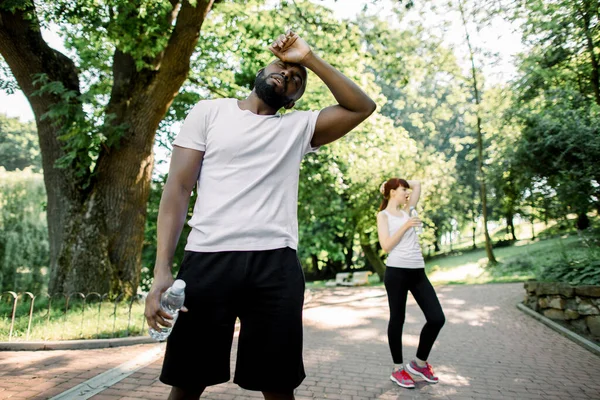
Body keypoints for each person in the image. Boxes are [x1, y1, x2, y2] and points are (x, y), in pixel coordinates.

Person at [144, 30, 376, 400]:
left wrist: (309, 58)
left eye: (297, 79)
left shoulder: (298, 127)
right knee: (187, 383)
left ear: (295, 99)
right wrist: (161, 272)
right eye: (283, 67)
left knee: (278, 386)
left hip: (275, 266)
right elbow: (177, 191)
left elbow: (362, 107)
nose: (289, 74)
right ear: (264, 68)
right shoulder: (209, 111)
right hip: (207, 261)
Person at [376, 178, 445, 389]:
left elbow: (418, 184)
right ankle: (398, 369)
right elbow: (386, 245)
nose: (407, 192)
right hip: (396, 272)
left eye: (407, 189)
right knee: (398, 319)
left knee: (436, 318)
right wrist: (406, 226)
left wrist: (394, 184)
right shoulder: (383, 215)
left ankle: (419, 364)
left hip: (418, 271)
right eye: (402, 189)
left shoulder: (409, 209)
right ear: (392, 192)